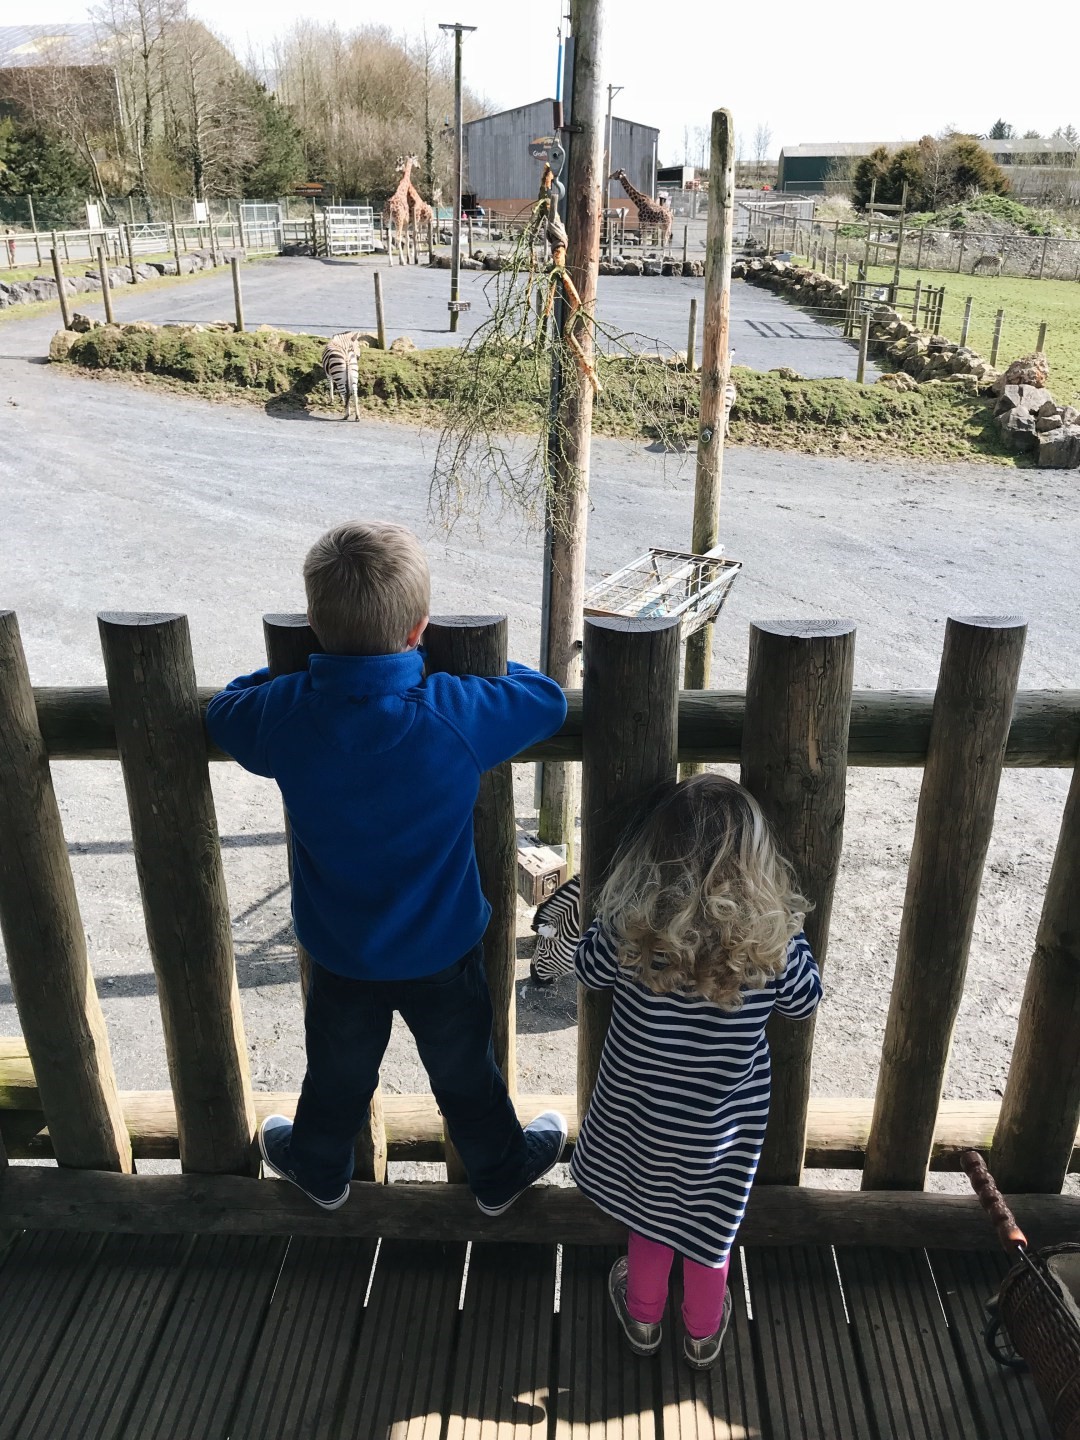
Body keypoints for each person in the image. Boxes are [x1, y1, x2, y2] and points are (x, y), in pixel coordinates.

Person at [206, 521, 569, 1213]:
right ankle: (497, 1171)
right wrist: (475, 672)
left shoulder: (285, 714)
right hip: (444, 948)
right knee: (466, 1068)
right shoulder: (453, 710)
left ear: (313, 622)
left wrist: (285, 675)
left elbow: (226, 711)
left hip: (341, 950)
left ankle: (319, 1165)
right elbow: (545, 700)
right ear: (420, 630)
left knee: (339, 1071)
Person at [569, 774, 821, 1370]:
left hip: (639, 1112)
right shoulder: (775, 941)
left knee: (649, 1212)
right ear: (757, 860)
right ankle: (702, 1332)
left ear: (653, 854)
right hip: (721, 1125)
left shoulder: (631, 925)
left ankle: (643, 1316)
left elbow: (586, 970)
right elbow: (805, 1001)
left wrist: (606, 913)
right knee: (712, 1227)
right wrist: (792, 936)